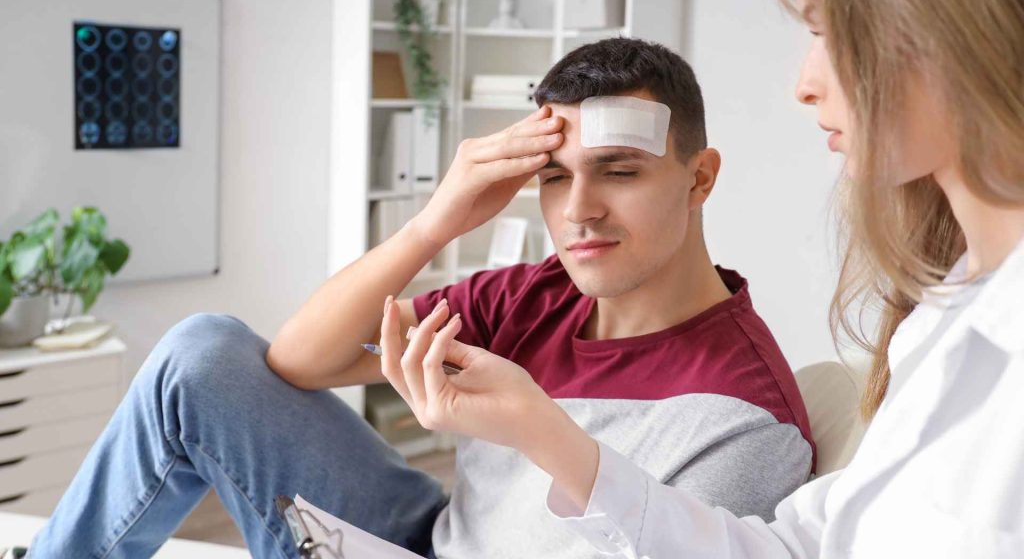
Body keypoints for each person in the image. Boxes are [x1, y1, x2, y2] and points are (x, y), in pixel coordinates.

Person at [27, 39, 815, 558]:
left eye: (619, 170)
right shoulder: (535, 297)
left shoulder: (745, 419)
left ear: (700, 177)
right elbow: (297, 361)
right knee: (202, 352)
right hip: (430, 537)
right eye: (552, 177)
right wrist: (435, 222)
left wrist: (535, 427)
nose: (578, 211)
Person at [381, 0, 1024, 557]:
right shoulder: (939, 320)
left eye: (825, 32)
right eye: (553, 176)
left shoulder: (742, 413)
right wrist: (538, 427)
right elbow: (787, 547)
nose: (803, 85)